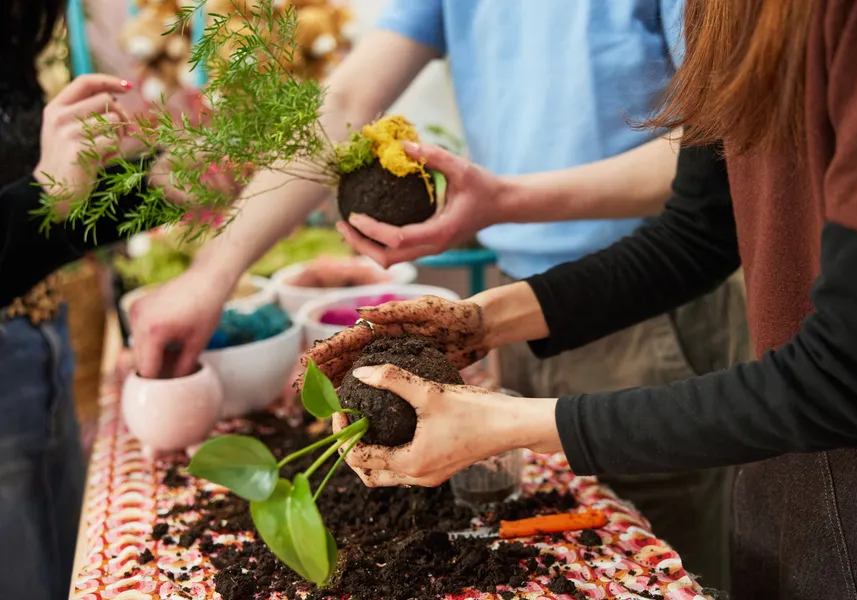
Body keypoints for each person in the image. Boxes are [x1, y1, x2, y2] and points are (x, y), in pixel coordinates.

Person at [131, 2, 749, 587]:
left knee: (657, 561)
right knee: (549, 546)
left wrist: (503, 201)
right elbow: (344, 99)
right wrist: (210, 275)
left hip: (656, 308)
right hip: (523, 303)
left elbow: (721, 155)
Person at [301, 0, 857, 597]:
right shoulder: (723, 11)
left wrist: (512, 424)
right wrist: (481, 322)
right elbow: (697, 232)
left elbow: (851, 374)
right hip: (785, 462)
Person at [0, 3, 191, 597]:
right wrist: (44, 193)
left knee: (71, 568)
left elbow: (38, 222)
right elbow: (39, 201)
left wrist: (159, 186)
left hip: (39, 340)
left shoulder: (15, 31)